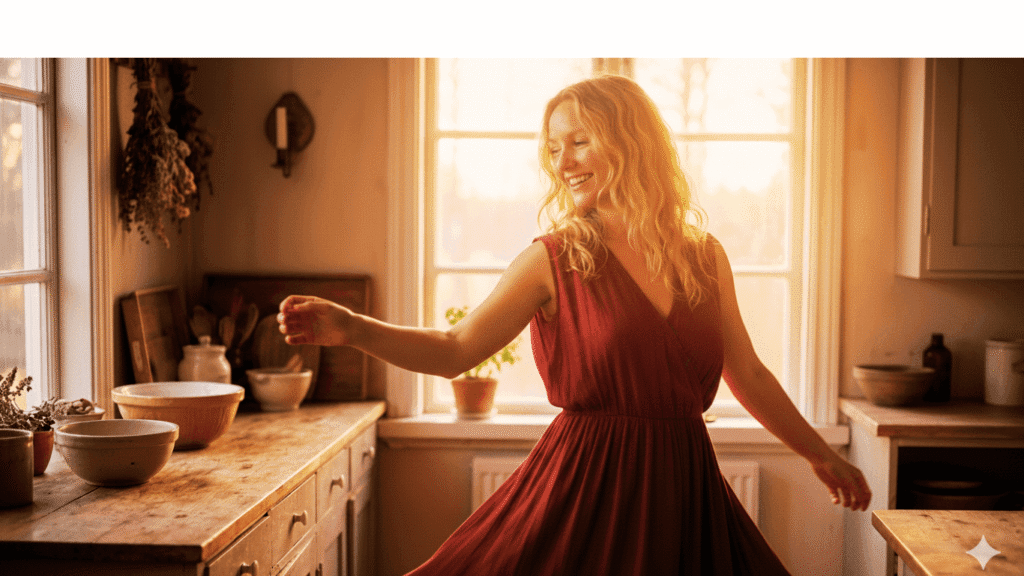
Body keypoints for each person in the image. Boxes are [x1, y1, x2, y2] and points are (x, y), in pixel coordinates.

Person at [277, 74, 872, 575]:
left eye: (579, 142)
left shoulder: (704, 256)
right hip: (584, 494)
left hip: (685, 494)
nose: (562, 163)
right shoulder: (554, 258)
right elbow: (455, 349)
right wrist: (353, 327)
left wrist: (821, 456)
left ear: (632, 144)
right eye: (554, 148)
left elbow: (748, 374)